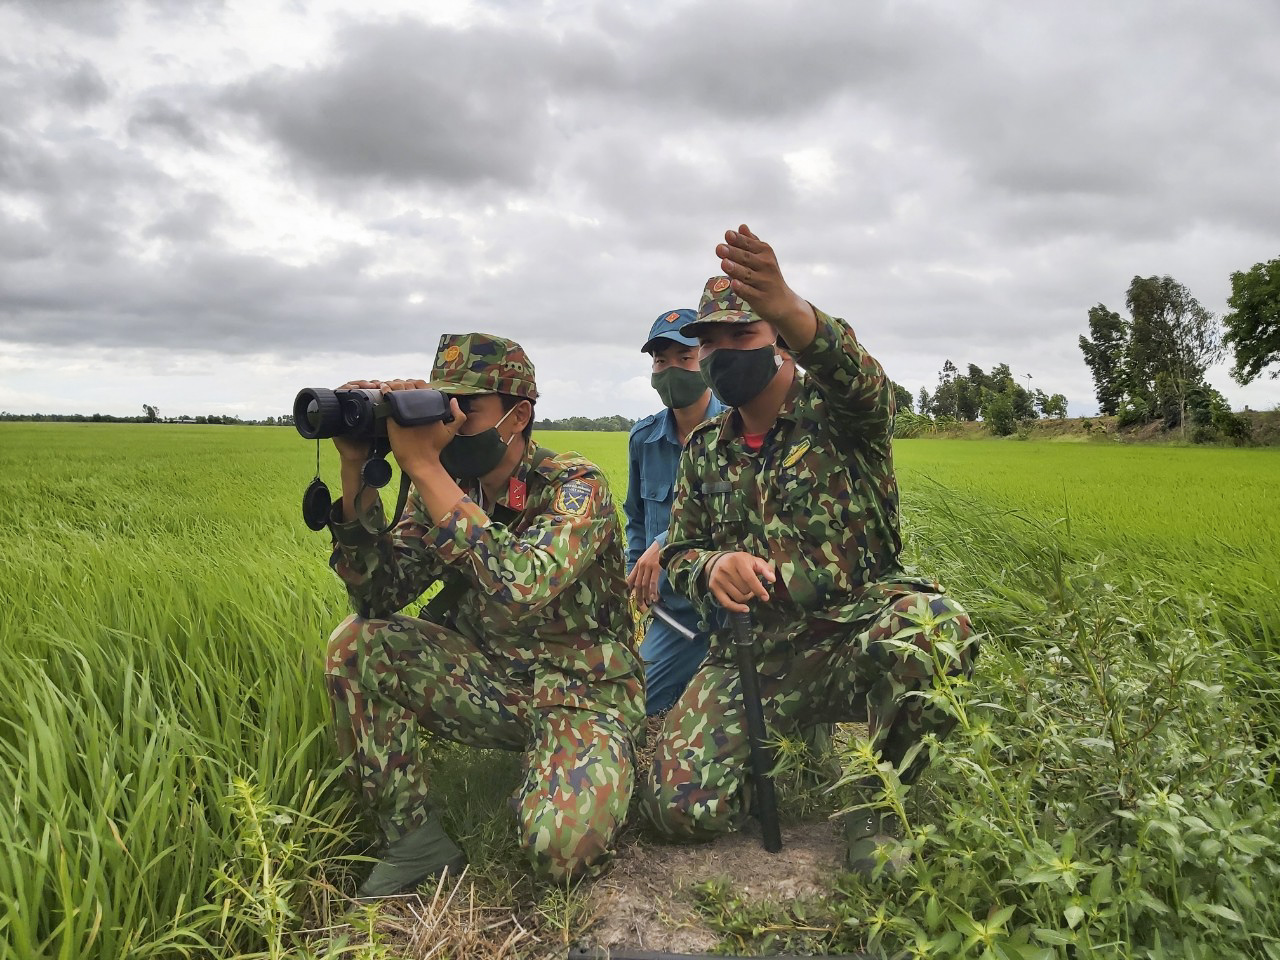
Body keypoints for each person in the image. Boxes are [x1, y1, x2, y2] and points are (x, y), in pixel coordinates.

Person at [639, 226, 977, 877]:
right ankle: (781, 748)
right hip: (759, 652)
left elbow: (869, 384)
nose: (723, 353)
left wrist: (791, 306)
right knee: (676, 809)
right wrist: (711, 567)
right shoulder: (708, 447)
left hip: (856, 627)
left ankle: (881, 803)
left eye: (744, 335)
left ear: (778, 339)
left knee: (932, 629)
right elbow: (679, 552)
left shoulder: (842, 413)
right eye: (710, 342)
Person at [323, 333, 644, 896]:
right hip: (491, 680)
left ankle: (582, 768)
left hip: (582, 690)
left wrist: (423, 467)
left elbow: (521, 584)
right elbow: (378, 593)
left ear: (517, 416)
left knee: (560, 853)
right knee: (356, 644)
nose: (445, 424)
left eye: (464, 409)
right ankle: (413, 841)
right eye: (436, 405)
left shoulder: (574, 484)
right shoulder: (445, 486)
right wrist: (357, 473)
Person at [623, 309, 725, 717]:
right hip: (675, 615)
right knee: (633, 706)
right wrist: (635, 575)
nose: (671, 371)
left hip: (732, 610)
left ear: (704, 358)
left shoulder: (735, 430)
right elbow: (634, 516)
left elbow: (739, 515)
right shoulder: (644, 440)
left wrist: (662, 547)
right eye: (660, 361)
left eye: (685, 359)